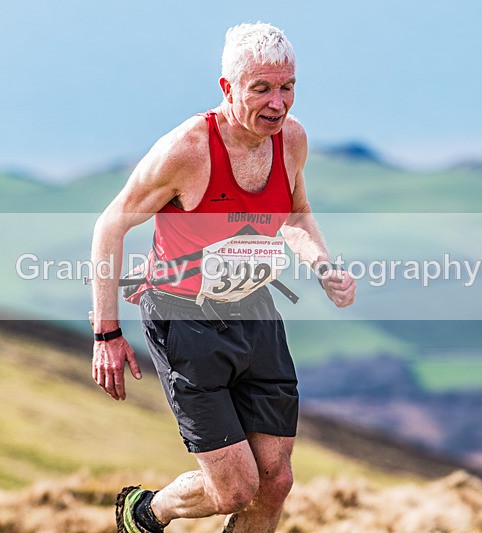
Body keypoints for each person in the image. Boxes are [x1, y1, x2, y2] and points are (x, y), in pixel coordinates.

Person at [90, 22, 356, 533]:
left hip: (255, 312)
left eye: (288, 87)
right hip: (184, 318)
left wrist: (323, 266)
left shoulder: (291, 139)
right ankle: (144, 512)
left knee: (275, 482)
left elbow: (295, 214)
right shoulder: (187, 149)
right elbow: (110, 225)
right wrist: (107, 333)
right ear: (227, 87)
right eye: (262, 89)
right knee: (235, 489)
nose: (278, 104)